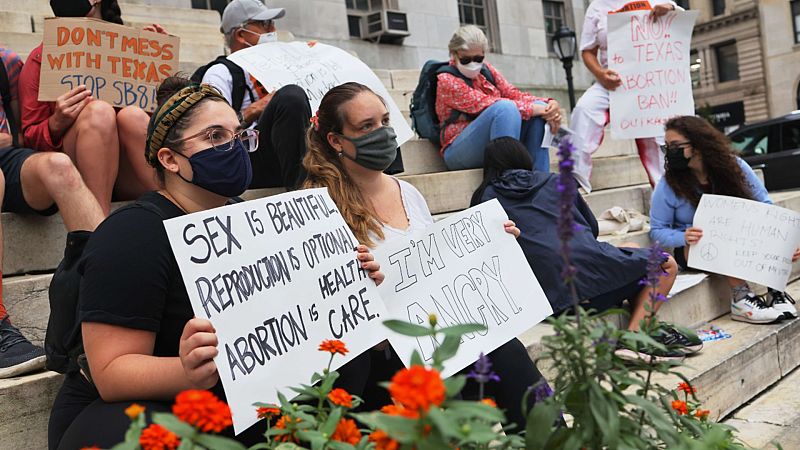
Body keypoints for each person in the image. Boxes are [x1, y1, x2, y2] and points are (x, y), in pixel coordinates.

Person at [47, 77, 384, 448]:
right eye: (215, 137)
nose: (234, 147)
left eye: (239, 136)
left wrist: (346, 281)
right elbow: (111, 372)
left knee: (353, 362)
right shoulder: (132, 235)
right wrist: (184, 370)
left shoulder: (249, 218)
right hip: (138, 410)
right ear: (170, 159)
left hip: (232, 401)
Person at [301, 81, 546, 430]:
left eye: (385, 122)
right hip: (384, 358)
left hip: (439, 336)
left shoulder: (410, 193)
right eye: (366, 126)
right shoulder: (318, 207)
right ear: (336, 140)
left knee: (509, 355)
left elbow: (437, 270)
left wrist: (493, 244)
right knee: (450, 385)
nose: (382, 133)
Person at [470, 137, 696, 361]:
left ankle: (643, 326)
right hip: (586, 287)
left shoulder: (483, 197)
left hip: (546, 302)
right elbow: (592, 228)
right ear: (524, 157)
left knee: (631, 247)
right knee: (666, 265)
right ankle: (634, 338)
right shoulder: (554, 181)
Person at [0, 46, 105, 379]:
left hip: (7, 157)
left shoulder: (6, 61)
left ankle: (113, 301)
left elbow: (19, 133)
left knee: (60, 166)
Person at [650, 116, 800, 324]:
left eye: (675, 145)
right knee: (717, 239)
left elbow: (765, 205)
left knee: (769, 233)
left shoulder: (734, 166)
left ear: (698, 145)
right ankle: (741, 298)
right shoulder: (668, 184)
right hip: (693, 248)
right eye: (667, 146)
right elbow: (657, 230)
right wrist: (683, 236)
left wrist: (784, 245)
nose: (669, 151)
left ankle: (776, 293)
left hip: (738, 237)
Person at [19, 0, 162, 215]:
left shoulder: (134, 52)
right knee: (99, 112)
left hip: (129, 173)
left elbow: (156, 124)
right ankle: (96, 226)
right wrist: (56, 123)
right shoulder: (41, 58)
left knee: (133, 115)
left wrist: (155, 66)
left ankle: (176, 208)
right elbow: (29, 137)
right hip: (76, 172)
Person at [569, 0, 681, 192]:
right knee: (583, 110)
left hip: (653, 85)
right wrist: (601, 74)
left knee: (657, 141)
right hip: (613, 83)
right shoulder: (597, 6)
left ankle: (669, 196)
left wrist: (670, 10)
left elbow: (682, 25)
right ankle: (575, 182)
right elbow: (587, 51)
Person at [201, 0, 313, 190]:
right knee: (290, 97)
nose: (272, 30)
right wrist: (253, 111)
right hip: (247, 158)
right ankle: (301, 192)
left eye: (272, 23)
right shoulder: (220, 73)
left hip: (292, 150)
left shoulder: (284, 67)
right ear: (241, 34)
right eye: (264, 24)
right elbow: (211, 135)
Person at [435, 25, 561, 172]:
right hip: (458, 149)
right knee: (505, 108)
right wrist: (538, 109)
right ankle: (508, 179)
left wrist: (549, 104)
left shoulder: (486, 71)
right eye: (466, 59)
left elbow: (514, 94)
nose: (473, 64)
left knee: (537, 111)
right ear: (454, 54)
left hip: (494, 139)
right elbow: (486, 104)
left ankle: (540, 180)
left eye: (478, 58)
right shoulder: (446, 80)